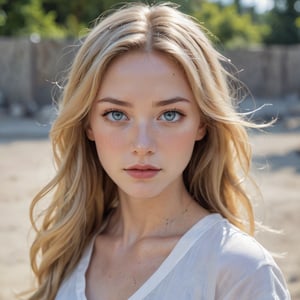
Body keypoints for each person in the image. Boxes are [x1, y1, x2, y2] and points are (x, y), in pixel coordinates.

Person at [27, 3, 290, 300]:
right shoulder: (70, 248)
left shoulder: (239, 270)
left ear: (202, 124)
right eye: (116, 114)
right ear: (88, 124)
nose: (142, 145)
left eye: (169, 115)